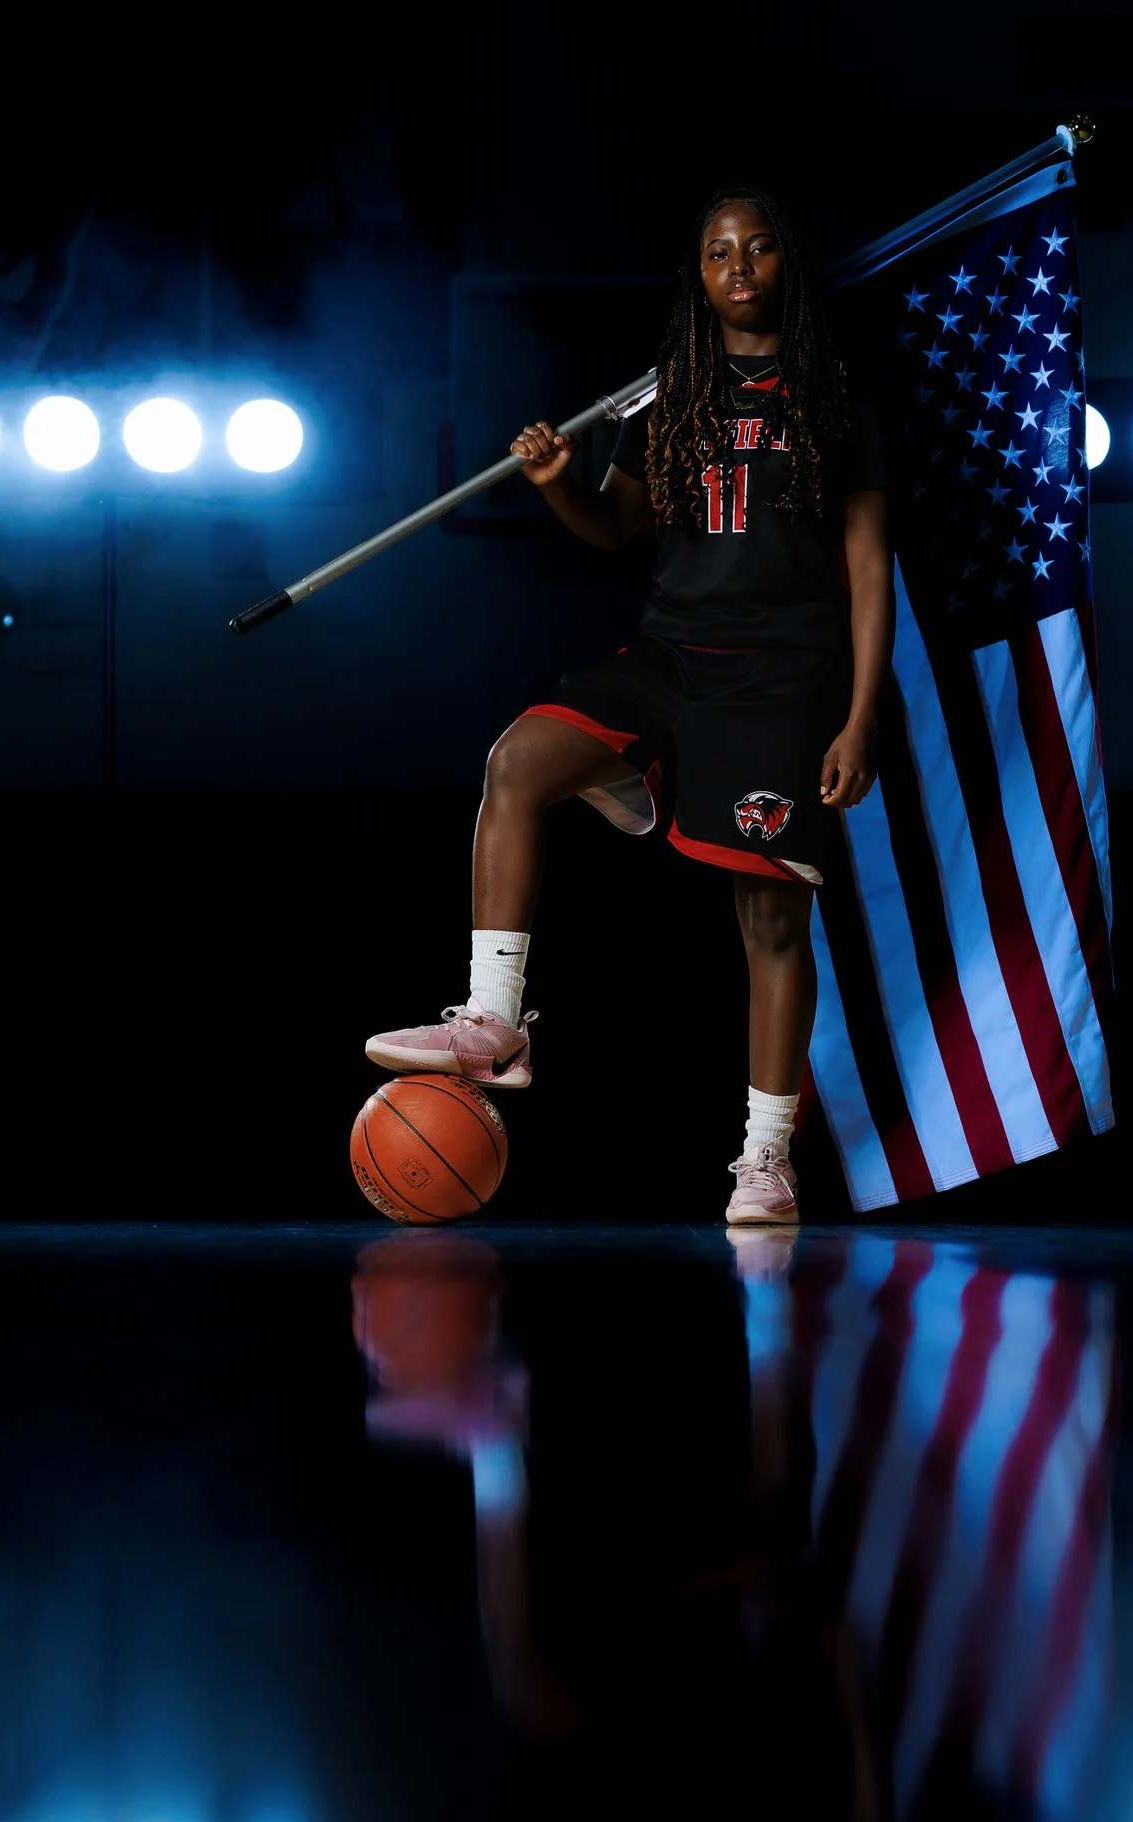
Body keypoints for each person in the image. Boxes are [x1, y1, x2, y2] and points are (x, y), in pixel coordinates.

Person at [366, 186, 893, 1224]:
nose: (736, 265)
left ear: (787, 264)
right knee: (516, 763)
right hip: (667, 654)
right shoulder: (667, 395)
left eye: (757, 247)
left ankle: (764, 1158)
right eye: (715, 253)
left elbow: (870, 566)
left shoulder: (836, 397)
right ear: (697, 278)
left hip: (779, 677)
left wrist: (858, 715)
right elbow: (614, 528)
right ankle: (495, 1019)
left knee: (771, 920)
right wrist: (559, 482)